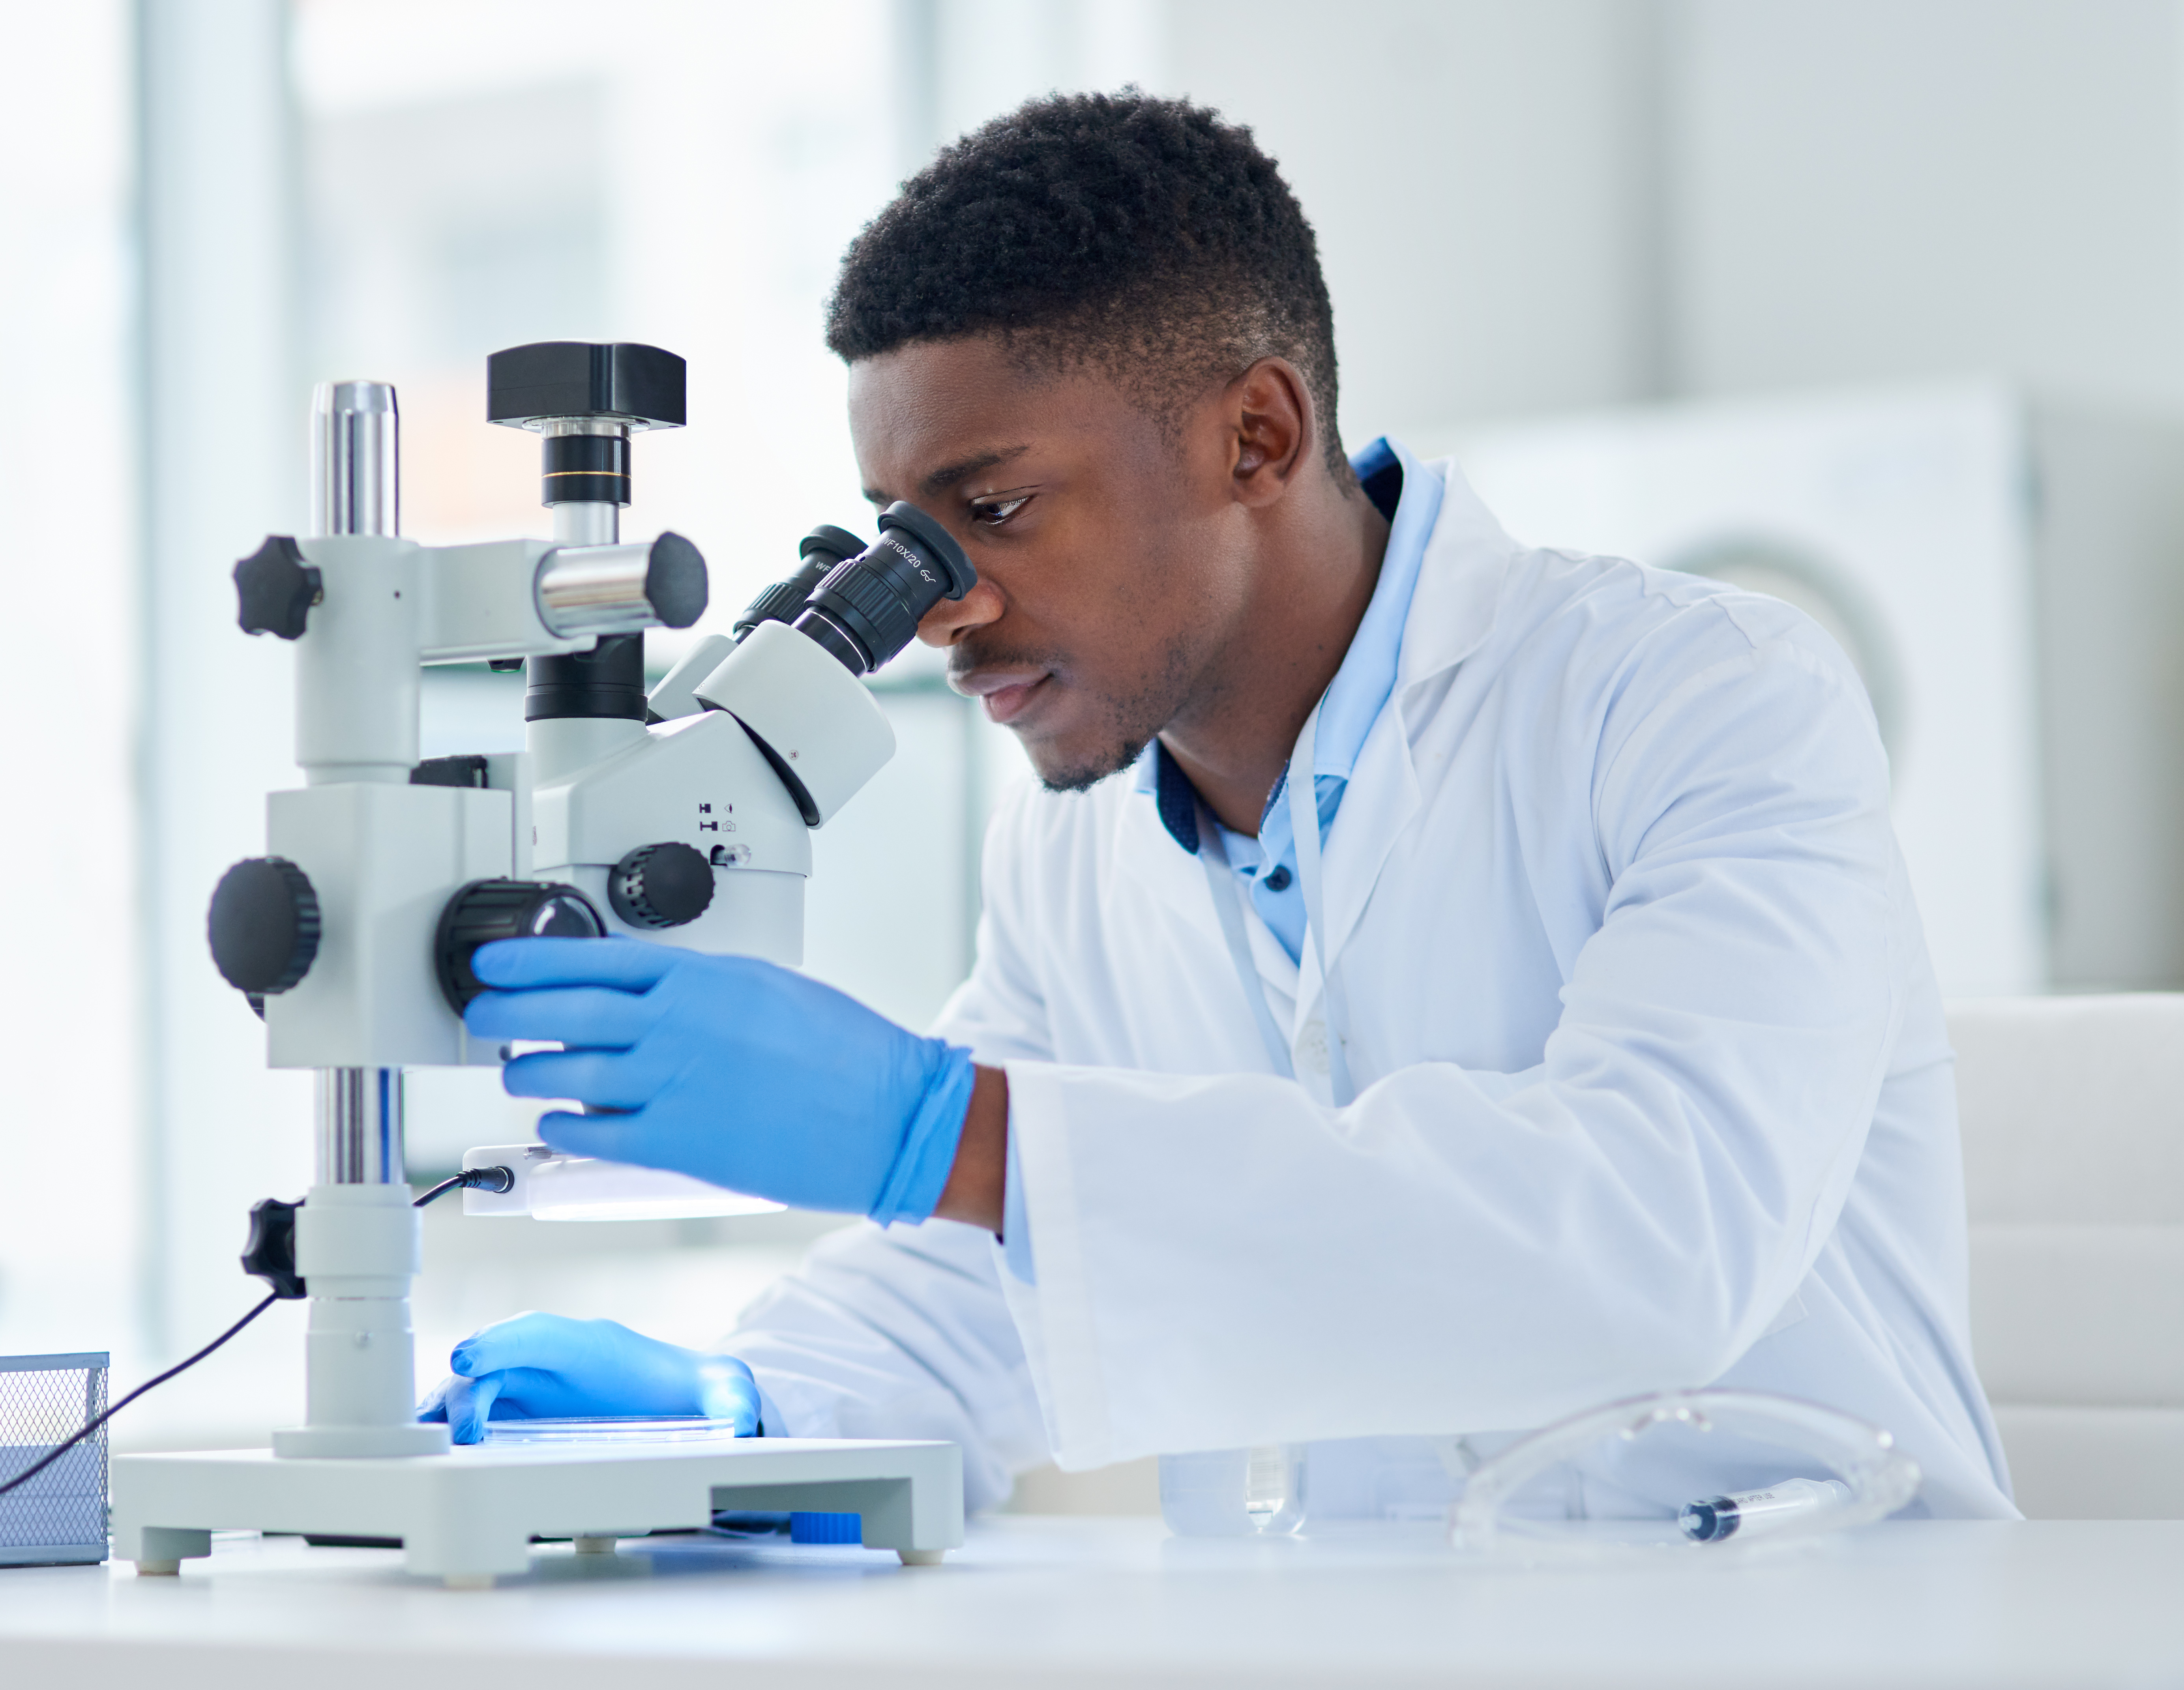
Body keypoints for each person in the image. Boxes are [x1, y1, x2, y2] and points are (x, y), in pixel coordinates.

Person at [422, 92, 2015, 1523]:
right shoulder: (1071, 848)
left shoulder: (1706, 696)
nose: (937, 610)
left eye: (992, 512)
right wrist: (755, 1400)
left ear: (1256, 436)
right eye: (895, 539)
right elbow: (989, 1286)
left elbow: (1656, 1235)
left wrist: (946, 1130)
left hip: (1810, 1617)